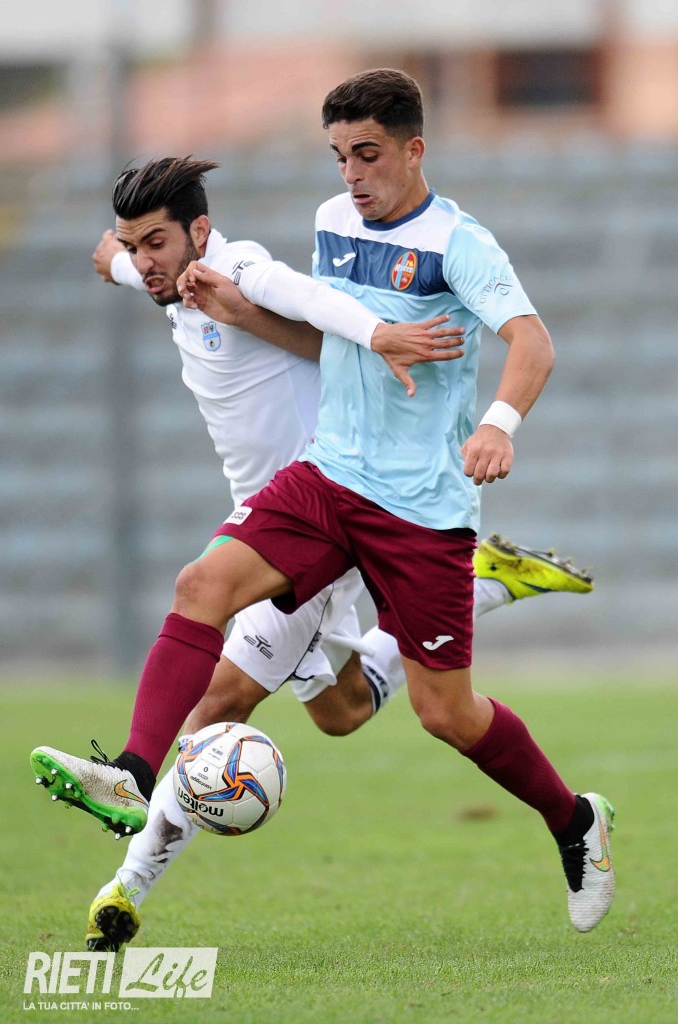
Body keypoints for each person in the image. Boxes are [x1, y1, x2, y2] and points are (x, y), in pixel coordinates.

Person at [32, 70, 613, 936]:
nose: (350, 173)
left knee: (444, 714)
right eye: (339, 155)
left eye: (366, 154)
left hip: (420, 505)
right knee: (202, 587)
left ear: (413, 150)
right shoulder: (330, 221)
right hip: (327, 476)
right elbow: (317, 337)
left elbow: (532, 343)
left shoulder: (459, 244)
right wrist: (227, 307)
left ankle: (574, 820)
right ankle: (131, 774)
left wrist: (497, 425)